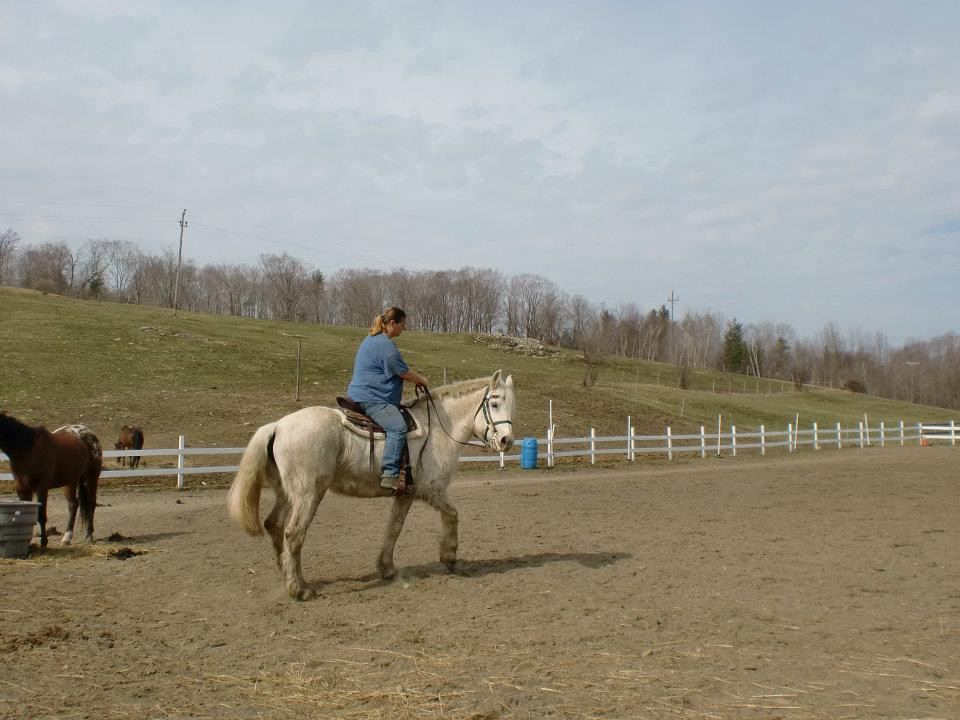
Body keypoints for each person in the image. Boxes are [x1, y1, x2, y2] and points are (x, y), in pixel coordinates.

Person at [346, 307, 428, 491]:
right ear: (392, 323)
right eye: (402, 324)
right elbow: (403, 372)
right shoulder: (385, 345)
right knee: (398, 427)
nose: (404, 328)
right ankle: (390, 473)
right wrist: (422, 380)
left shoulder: (373, 339)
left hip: (365, 394)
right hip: (373, 398)